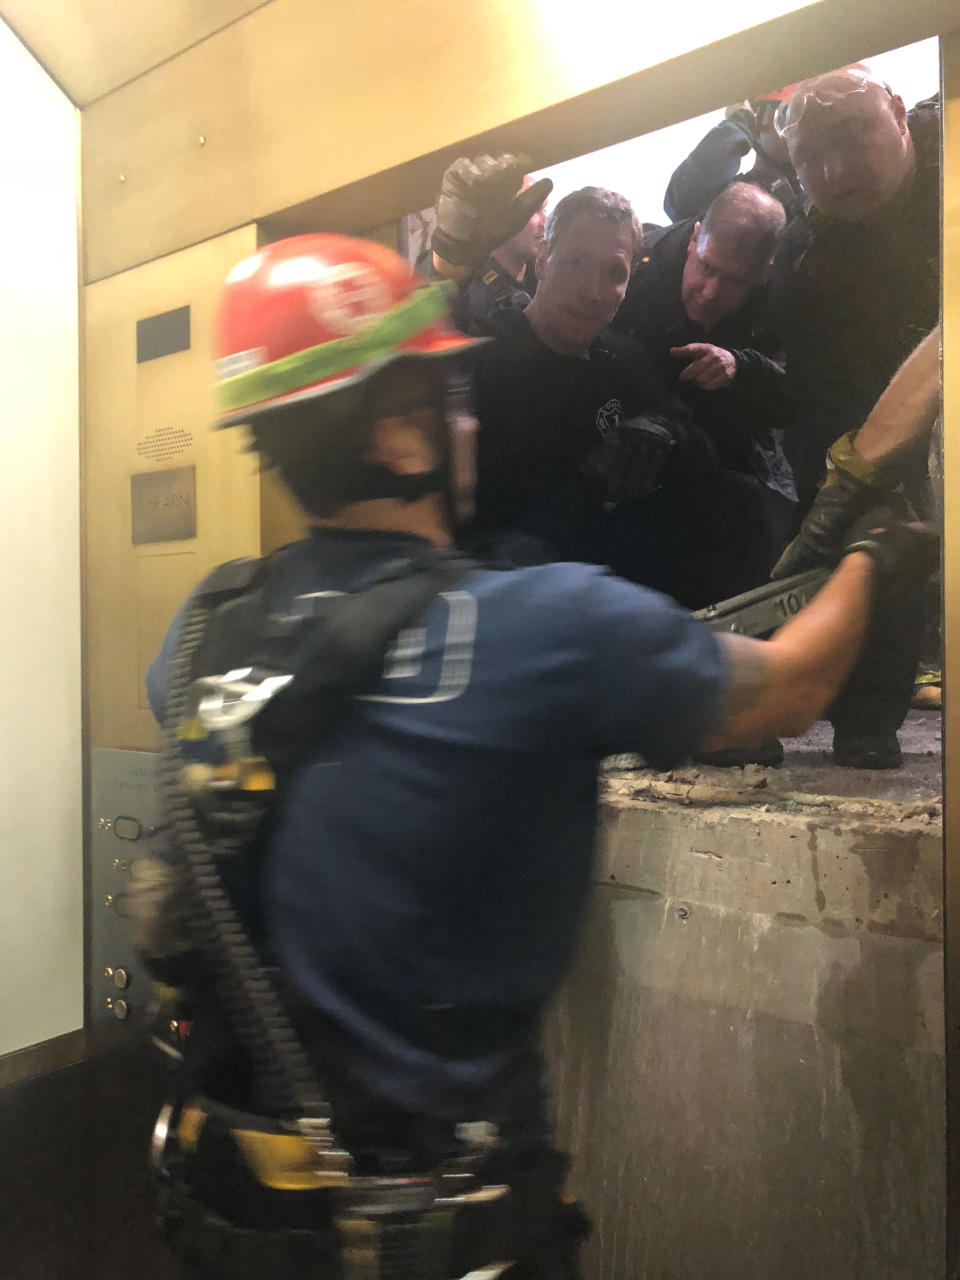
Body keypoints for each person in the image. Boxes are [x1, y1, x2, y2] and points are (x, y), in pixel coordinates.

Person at [141, 231, 932, 1280]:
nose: (470, 420)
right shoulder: (540, 627)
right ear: (404, 435)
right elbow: (788, 685)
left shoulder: (200, 630)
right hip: (436, 1227)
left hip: (228, 1213)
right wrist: (882, 549)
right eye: (450, 399)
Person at [773, 65, 940, 766]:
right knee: (871, 533)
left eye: (853, 135)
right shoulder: (809, 253)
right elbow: (816, 394)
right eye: (810, 156)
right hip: (867, 408)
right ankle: (866, 713)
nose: (835, 169)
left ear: (899, 113)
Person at [456, 184, 723, 598]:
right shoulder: (484, 360)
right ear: (542, 258)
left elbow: (702, 456)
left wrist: (666, 435)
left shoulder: (624, 358)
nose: (593, 291)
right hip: (526, 592)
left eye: (614, 273)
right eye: (576, 263)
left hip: (626, 586)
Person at [614, 182, 796, 591]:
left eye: (733, 280)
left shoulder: (785, 293)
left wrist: (742, 367)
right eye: (706, 266)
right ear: (696, 236)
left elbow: (800, 393)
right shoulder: (634, 273)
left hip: (730, 457)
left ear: (763, 271)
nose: (711, 292)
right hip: (636, 452)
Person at [429, 154, 551, 335]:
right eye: (534, 210)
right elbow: (434, 298)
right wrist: (450, 254)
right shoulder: (468, 284)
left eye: (545, 209)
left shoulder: (544, 276)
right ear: (500, 215)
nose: (545, 221)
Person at [663, 88, 803, 223]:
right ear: (758, 121)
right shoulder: (736, 198)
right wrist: (739, 125)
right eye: (788, 115)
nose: (800, 128)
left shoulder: (815, 194)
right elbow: (682, 201)